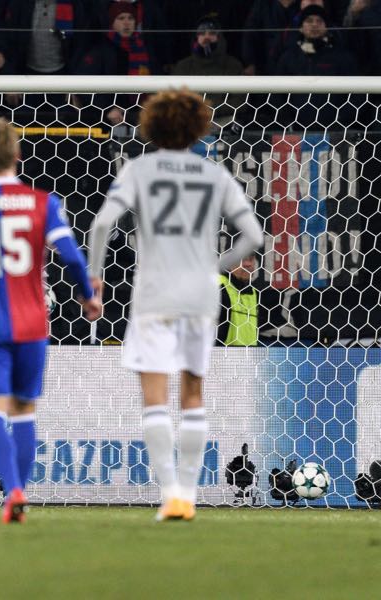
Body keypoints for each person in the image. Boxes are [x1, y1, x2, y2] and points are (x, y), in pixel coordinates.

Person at [87, 89, 263, 521]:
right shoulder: (214, 174)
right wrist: (213, 268)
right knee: (193, 394)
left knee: (154, 397)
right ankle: (187, 491)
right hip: (199, 294)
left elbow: (102, 225)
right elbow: (253, 237)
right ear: (198, 127)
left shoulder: (139, 170)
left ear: (151, 127)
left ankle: (171, 495)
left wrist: (94, 280)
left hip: (154, 292)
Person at [0, 118, 102, 523]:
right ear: (18, 155)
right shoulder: (43, 203)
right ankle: (21, 491)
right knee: (25, 409)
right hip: (32, 321)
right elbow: (71, 256)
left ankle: (11, 490)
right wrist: (87, 296)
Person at [217, 255, 259, 346]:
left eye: (251, 259)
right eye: (242, 259)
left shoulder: (253, 292)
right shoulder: (218, 288)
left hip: (249, 358)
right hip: (220, 358)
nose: (248, 264)